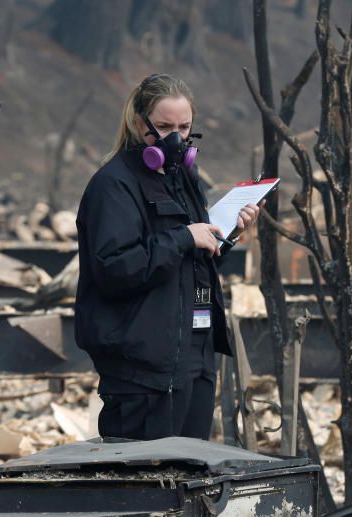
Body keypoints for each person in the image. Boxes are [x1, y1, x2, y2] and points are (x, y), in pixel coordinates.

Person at [75, 73, 261, 442]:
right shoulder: (113, 185)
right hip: (143, 372)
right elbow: (114, 268)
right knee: (147, 486)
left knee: (189, 480)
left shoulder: (184, 179)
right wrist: (182, 237)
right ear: (137, 123)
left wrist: (228, 234)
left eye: (184, 126)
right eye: (163, 126)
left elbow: (192, 265)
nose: (175, 137)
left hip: (195, 358)